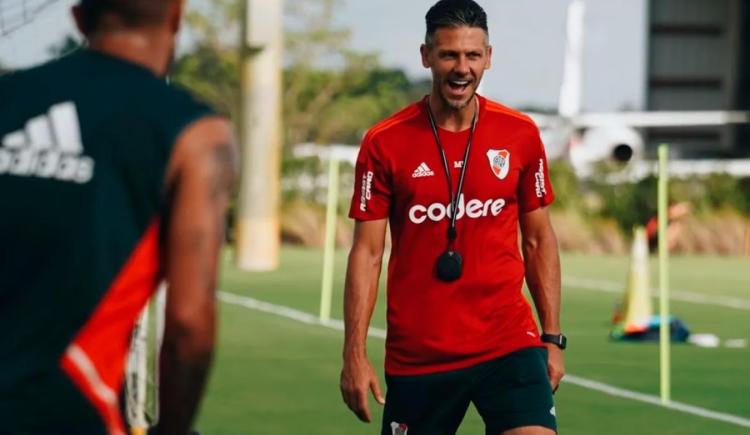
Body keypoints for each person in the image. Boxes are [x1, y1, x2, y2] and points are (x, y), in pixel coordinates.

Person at [0, 1, 237, 434]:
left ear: (79, 18)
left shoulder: (8, 97)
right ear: (177, 16)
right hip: (68, 413)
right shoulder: (195, 133)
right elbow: (189, 323)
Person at [340, 1, 565, 434]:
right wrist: (354, 352)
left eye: (472, 56)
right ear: (426, 56)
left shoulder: (520, 134)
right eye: (449, 55)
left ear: (488, 58)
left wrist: (552, 338)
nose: (461, 68)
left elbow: (539, 239)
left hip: (508, 343)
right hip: (421, 355)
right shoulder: (384, 143)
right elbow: (367, 253)